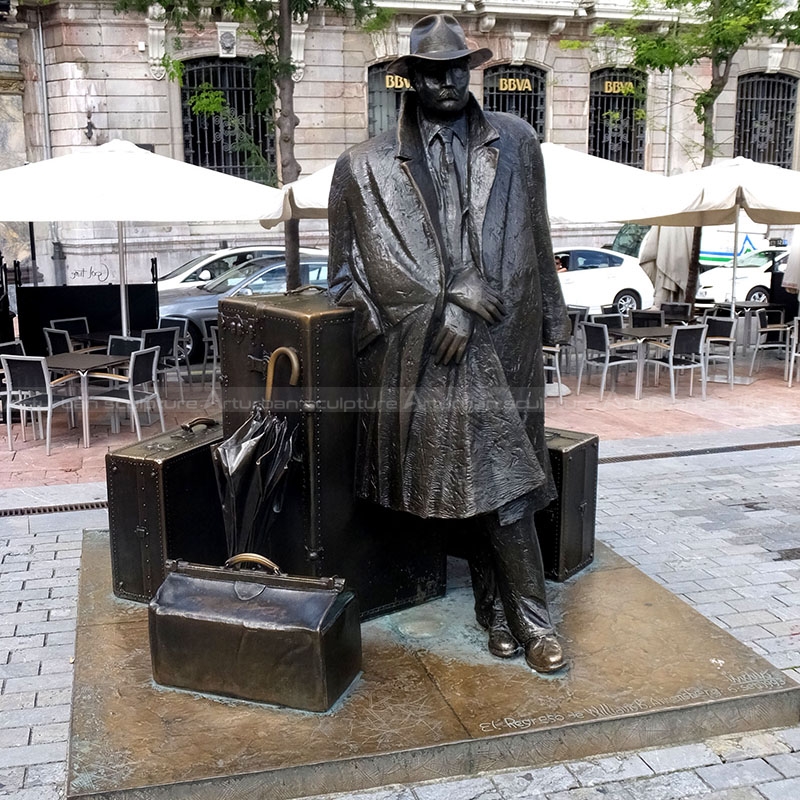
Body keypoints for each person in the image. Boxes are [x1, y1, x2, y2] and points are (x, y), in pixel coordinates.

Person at [328, 14, 571, 673]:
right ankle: (533, 623)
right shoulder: (362, 167)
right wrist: (447, 302)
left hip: (507, 338)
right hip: (428, 352)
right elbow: (346, 282)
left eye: (458, 69)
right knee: (503, 481)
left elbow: (536, 235)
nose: (447, 83)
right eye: (433, 72)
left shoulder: (517, 142)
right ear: (409, 78)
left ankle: (496, 609)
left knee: (497, 478)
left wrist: (552, 315)